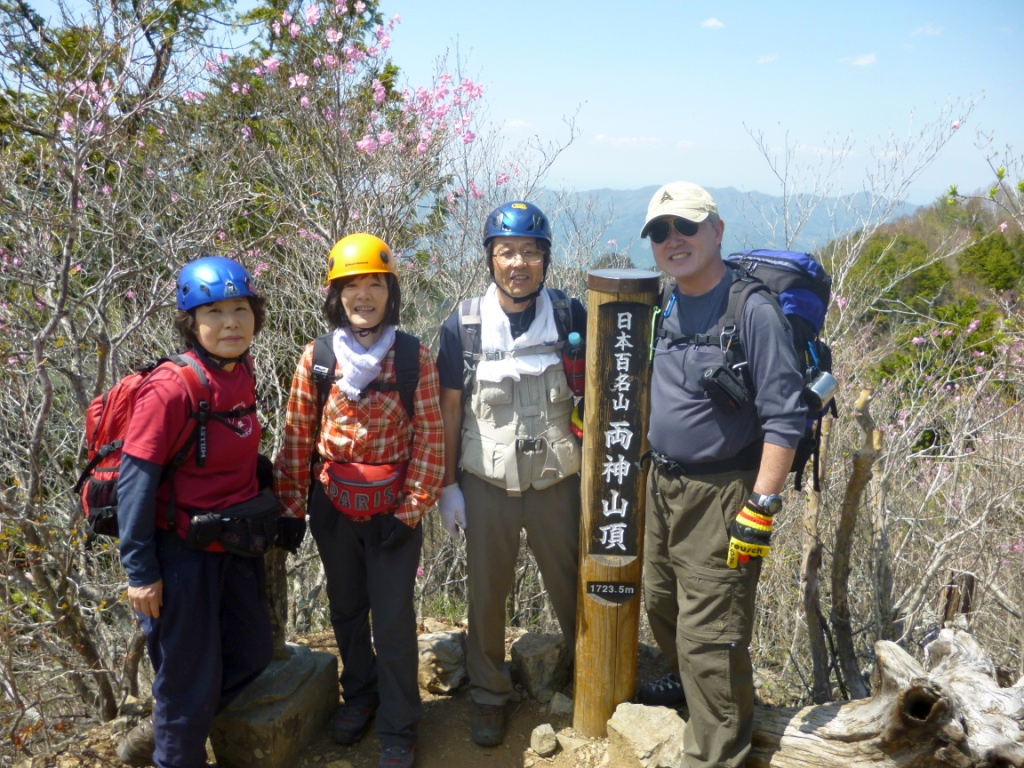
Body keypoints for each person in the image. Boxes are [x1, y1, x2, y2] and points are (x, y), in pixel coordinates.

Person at [638, 182, 807, 768]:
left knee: (710, 636)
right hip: (662, 487)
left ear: (717, 230)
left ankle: (715, 751)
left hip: (724, 494)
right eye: (660, 232)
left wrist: (761, 507)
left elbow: (786, 417)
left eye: (684, 226)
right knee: (662, 603)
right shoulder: (667, 304)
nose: (672, 240)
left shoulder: (752, 311)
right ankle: (698, 692)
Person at [274, 233, 444, 768]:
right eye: (352, 286)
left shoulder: (414, 357)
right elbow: (298, 436)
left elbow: (432, 441)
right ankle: (361, 695)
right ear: (336, 295)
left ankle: (399, 723)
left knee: (392, 618)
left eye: (375, 284)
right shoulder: (318, 358)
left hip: (394, 508)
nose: (364, 296)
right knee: (347, 608)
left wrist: (412, 507)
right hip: (333, 505)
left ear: (390, 292)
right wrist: (290, 511)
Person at [116, 255, 286, 768]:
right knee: (189, 683)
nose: (231, 322)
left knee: (252, 654)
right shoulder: (171, 389)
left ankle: (166, 722)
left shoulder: (241, 368)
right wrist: (141, 571)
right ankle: (174, 741)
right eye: (214, 312)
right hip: (181, 556)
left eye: (242, 308)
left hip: (233, 545)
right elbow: (135, 482)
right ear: (191, 322)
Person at [435, 201, 586, 747]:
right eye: (506, 252)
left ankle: (590, 680)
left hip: (556, 479)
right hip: (487, 480)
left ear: (545, 259)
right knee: (486, 591)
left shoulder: (570, 316)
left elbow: (597, 397)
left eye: (529, 252)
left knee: (572, 584)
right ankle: (488, 693)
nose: (517, 262)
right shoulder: (464, 324)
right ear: (490, 258)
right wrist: (447, 484)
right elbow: (450, 407)